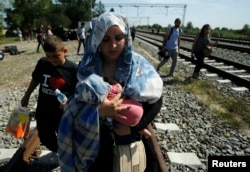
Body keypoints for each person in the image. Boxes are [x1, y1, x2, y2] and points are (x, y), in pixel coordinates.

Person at [57, 12, 163, 172]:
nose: (112, 45)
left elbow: (156, 100)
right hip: (97, 146)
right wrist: (98, 111)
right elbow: (76, 104)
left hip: (129, 143)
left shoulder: (138, 64)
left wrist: (133, 128)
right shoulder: (87, 68)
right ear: (97, 40)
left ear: (126, 38)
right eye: (105, 39)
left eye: (118, 38)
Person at [21, 35, 78, 153]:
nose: (53, 59)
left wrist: (71, 103)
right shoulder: (43, 63)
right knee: (45, 137)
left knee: (66, 137)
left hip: (62, 113)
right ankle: (58, 151)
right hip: (44, 109)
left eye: (56, 55)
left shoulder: (73, 69)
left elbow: (77, 92)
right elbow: (36, 79)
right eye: (49, 56)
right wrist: (27, 95)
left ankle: (67, 154)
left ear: (64, 51)